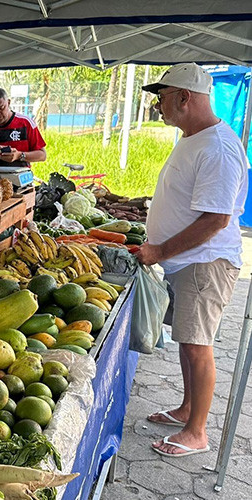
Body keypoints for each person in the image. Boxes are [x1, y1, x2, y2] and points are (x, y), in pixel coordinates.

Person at [137, 63, 248, 458]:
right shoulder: (195, 137)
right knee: (188, 340)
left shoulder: (217, 146)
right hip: (189, 263)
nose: (158, 105)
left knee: (198, 344)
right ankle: (186, 409)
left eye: (162, 96)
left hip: (206, 262)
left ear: (185, 97)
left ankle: (198, 431)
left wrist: (160, 251)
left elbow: (216, 219)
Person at [0, 87, 46, 167]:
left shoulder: (25, 123)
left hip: (19, 176)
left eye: (1, 108)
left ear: (9, 102)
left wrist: (19, 155)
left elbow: (42, 155)